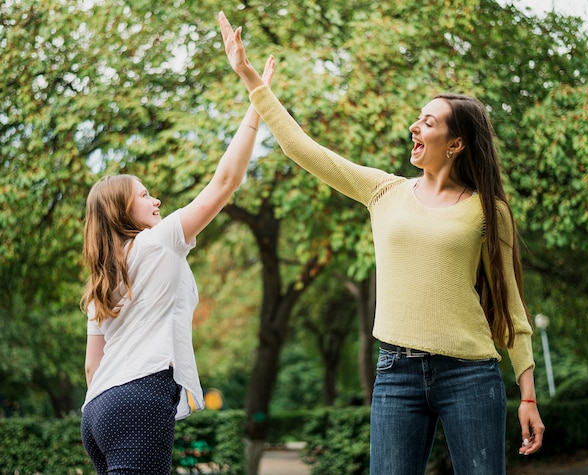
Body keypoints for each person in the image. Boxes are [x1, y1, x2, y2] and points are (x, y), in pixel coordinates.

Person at [218, 11, 544, 474]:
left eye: (428, 122)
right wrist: (250, 78)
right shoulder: (383, 190)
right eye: (417, 119)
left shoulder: (489, 212)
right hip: (396, 374)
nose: (414, 127)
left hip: (470, 375)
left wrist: (527, 393)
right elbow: (302, 148)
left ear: (455, 144)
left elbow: (512, 308)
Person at [79, 56, 275, 474]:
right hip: (140, 398)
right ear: (121, 210)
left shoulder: (101, 278)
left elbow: (93, 365)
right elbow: (224, 183)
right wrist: (257, 101)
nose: (156, 202)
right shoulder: (157, 242)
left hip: (96, 411)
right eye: (145, 195)